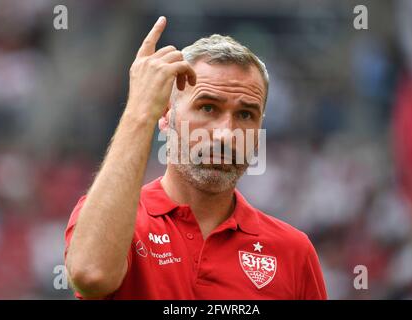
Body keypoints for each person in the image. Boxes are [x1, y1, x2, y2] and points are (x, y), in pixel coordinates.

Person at [64, 16, 327, 300]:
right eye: (208, 108)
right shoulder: (113, 220)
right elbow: (90, 275)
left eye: (245, 114)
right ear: (166, 115)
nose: (226, 134)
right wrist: (139, 111)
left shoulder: (293, 252)